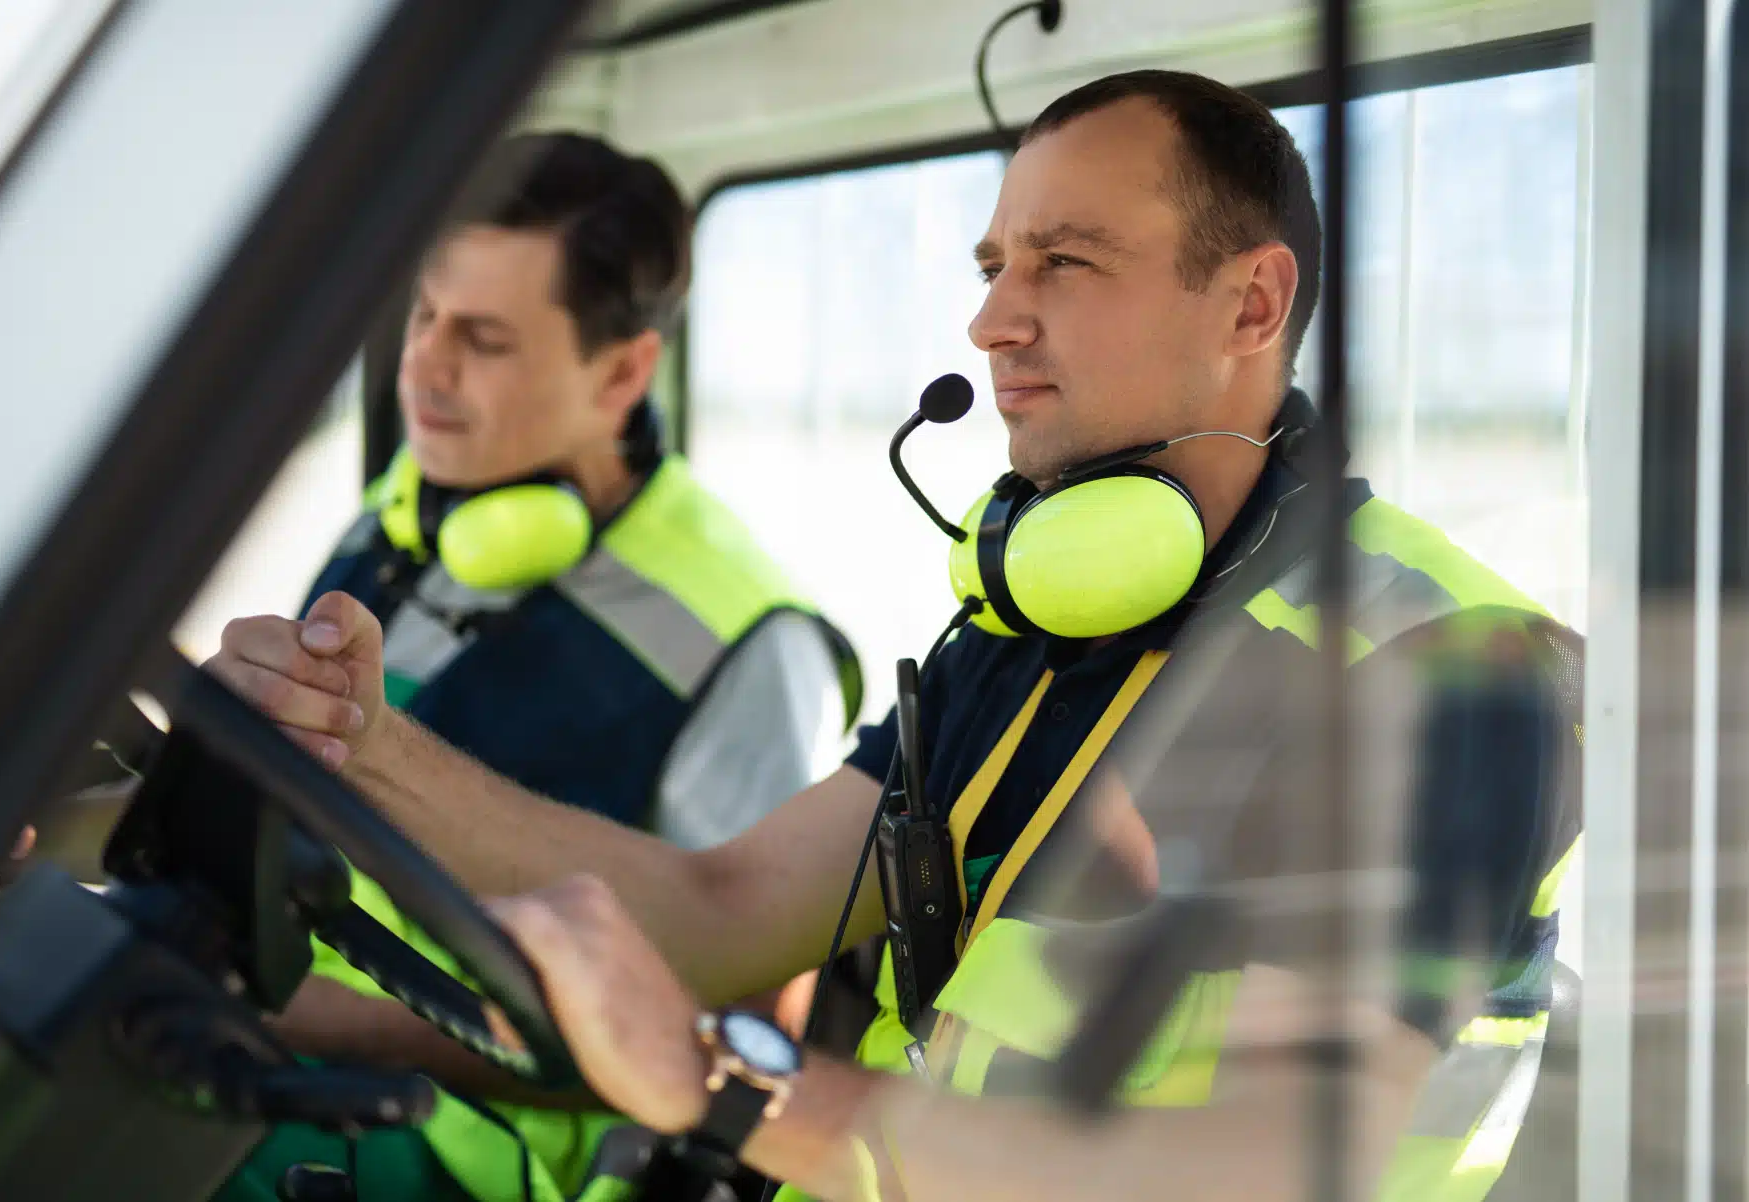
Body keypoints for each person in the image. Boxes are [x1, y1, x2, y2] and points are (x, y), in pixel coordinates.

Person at [210, 72, 1582, 1202]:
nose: (991, 319)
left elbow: (1263, 1159)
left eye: (1065, 262)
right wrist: (361, 740)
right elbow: (726, 911)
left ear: (1251, 305)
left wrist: (720, 1079)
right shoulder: (1033, 619)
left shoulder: (1449, 668)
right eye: (994, 266)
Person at [208, 132, 864, 1202]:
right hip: (267, 1046)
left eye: (483, 338)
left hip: (467, 1151)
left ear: (623, 372)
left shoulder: (750, 642)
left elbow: (733, 1038)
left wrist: (339, 1022)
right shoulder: (407, 513)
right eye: (421, 316)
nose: (425, 365)